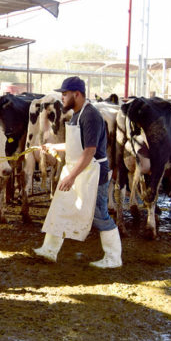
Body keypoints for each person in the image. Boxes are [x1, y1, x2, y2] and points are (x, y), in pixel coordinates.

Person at [32, 76, 122, 268]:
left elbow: (89, 151)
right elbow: (77, 145)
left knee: (99, 214)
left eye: (64, 94)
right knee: (60, 205)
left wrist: (71, 177)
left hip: (94, 172)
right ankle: (49, 249)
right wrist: (54, 147)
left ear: (77, 94)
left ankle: (114, 258)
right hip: (80, 168)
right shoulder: (76, 114)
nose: (62, 98)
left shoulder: (91, 116)